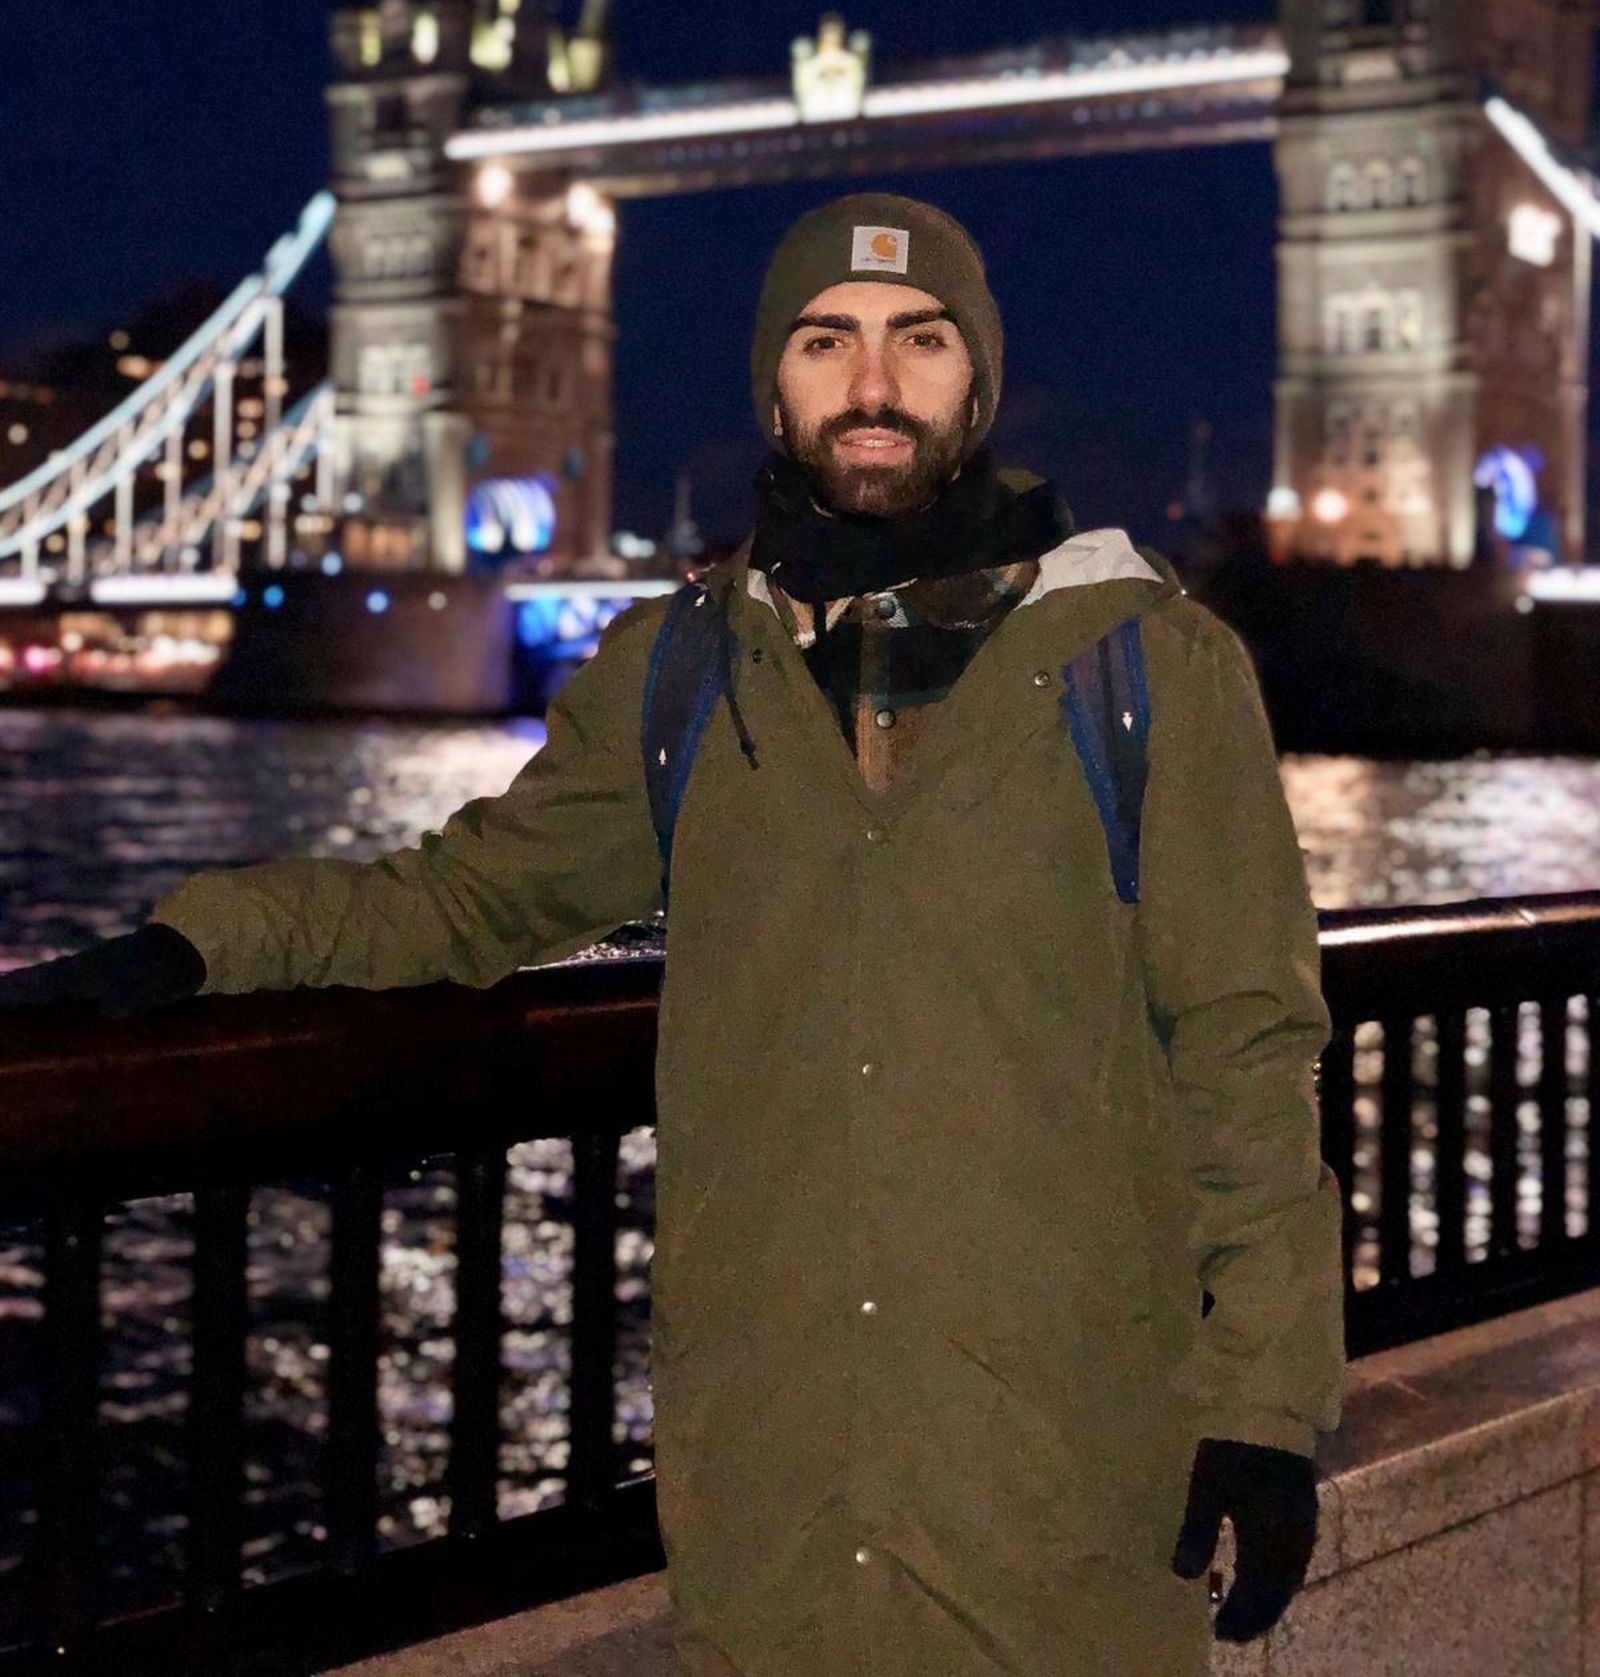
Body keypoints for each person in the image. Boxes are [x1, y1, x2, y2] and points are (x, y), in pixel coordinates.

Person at [5, 192, 1344, 1676]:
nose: (873, 384)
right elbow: (465, 895)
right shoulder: (682, 675)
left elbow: (1248, 1049)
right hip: (770, 1508)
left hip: (1067, 1494)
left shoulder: (1148, 670)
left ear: (979, 380)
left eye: (920, 339)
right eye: (825, 341)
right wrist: (203, 943)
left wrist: (1265, 1404)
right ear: (774, 385)